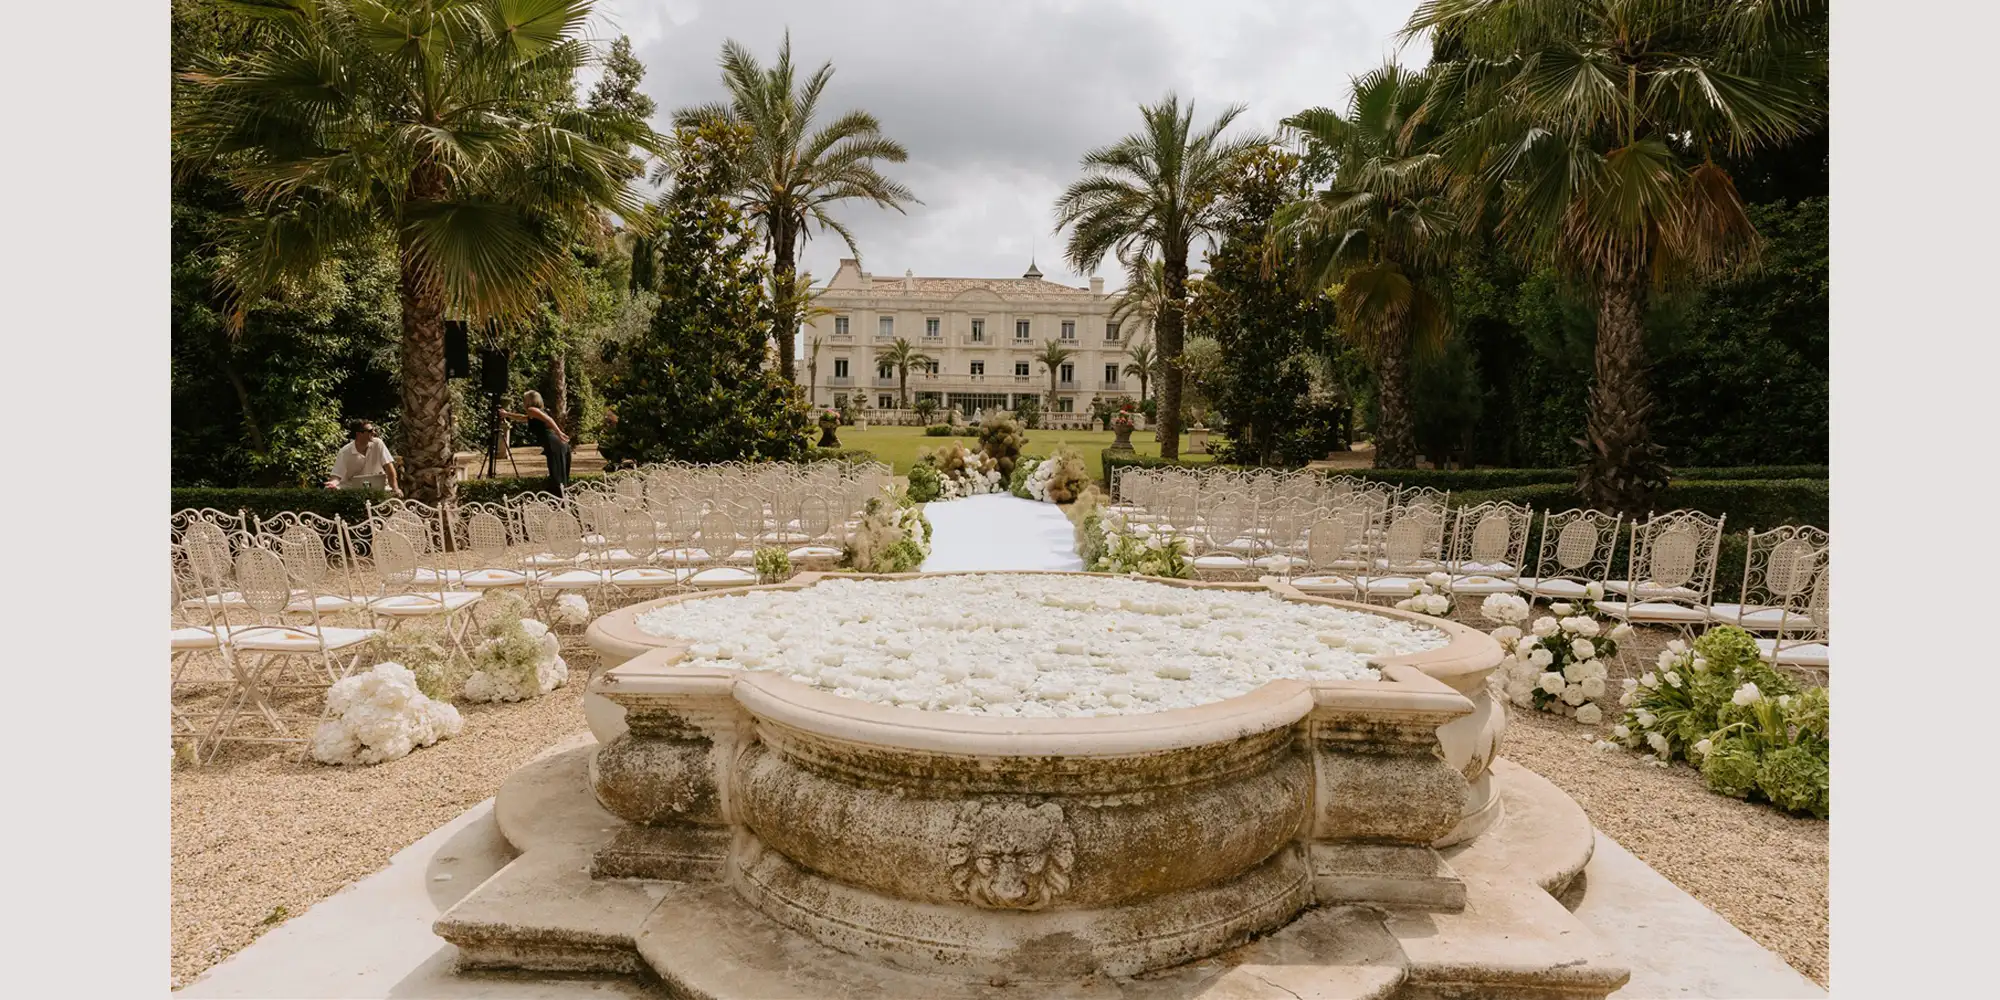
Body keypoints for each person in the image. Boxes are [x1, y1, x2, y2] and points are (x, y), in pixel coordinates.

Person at [499, 391, 571, 496]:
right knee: (561, 475)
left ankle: (560, 501)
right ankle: (563, 500)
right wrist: (507, 414)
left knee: (557, 476)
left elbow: (549, 419)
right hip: (557, 443)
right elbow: (522, 418)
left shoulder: (532, 409)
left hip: (554, 442)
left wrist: (559, 432)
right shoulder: (533, 412)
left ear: (529, 400)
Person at [325, 420, 400, 494]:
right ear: (358, 434)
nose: (374, 433)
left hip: (377, 488)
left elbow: (389, 468)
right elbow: (336, 475)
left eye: (374, 430)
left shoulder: (378, 444)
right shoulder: (344, 452)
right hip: (352, 490)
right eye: (370, 431)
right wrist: (332, 484)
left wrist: (395, 488)